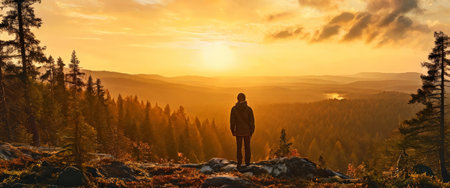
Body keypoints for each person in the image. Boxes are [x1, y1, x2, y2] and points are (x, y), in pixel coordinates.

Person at [230, 93, 255, 167]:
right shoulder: (249, 109)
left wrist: (232, 130)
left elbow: (232, 121)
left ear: (237, 99)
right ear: (245, 99)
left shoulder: (234, 109)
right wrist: (251, 131)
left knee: (239, 147)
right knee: (247, 147)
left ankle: (239, 163)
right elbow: (252, 122)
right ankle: (247, 163)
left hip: (238, 131)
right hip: (247, 132)